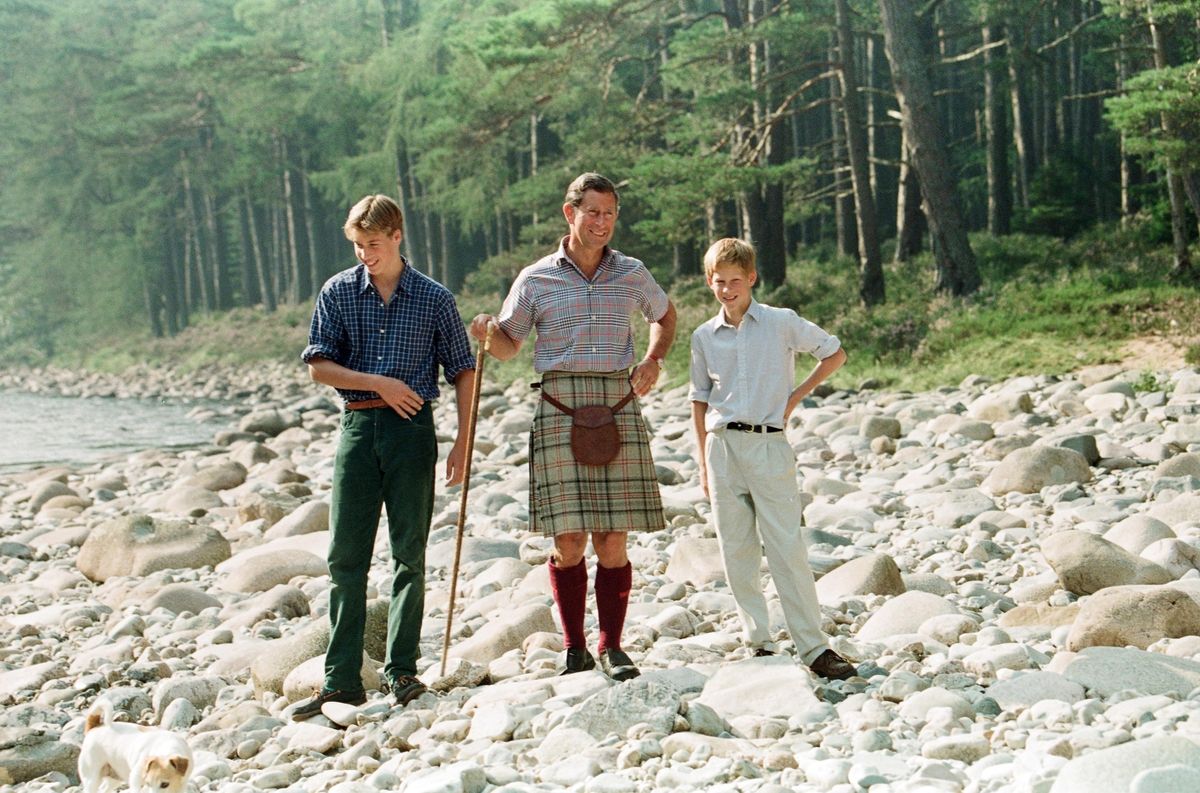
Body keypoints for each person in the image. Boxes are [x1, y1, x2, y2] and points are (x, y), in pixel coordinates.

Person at [470, 172, 676, 681]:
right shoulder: (536, 278)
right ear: (571, 214)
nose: (602, 223)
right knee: (568, 543)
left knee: (612, 540)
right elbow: (508, 345)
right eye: (593, 213)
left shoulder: (631, 272)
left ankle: (612, 646)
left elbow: (666, 316)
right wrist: (485, 334)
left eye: (610, 213)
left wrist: (653, 358)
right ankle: (574, 647)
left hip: (617, 402)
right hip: (560, 406)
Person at [293, 194, 476, 719]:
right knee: (345, 558)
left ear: (397, 236)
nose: (364, 255)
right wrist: (379, 383)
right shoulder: (338, 291)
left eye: (372, 244)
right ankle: (342, 679)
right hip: (357, 427)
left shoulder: (434, 298)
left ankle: (402, 671)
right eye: (357, 245)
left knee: (408, 555)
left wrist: (464, 441)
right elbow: (318, 366)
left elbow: (463, 369)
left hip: (412, 432)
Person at [689, 237, 856, 681]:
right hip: (722, 447)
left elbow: (834, 353)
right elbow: (699, 400)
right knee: (737, 550)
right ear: (709, 282)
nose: (727, 290)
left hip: (768, 444)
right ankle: (758, 642)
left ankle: (815, 647)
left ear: (752, 279)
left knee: (787, 548)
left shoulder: (781, 322)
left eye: (736, 282)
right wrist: (703, 466)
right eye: (719, 282)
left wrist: (796, 396)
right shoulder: (703, 336)